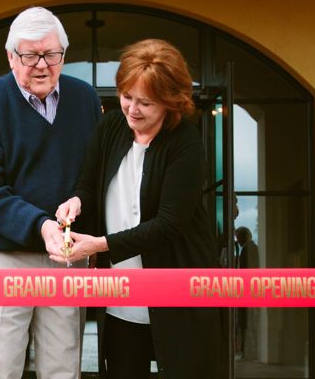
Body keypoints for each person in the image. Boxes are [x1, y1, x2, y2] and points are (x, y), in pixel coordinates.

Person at [55, 39, 222, 378]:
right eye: (127, 96)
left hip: (178, 291)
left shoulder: (186, 141)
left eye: (145, 102)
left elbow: (169, 223)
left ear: (170, 102)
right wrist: (76, 202)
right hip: (120, 297)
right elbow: (86, 185)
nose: (132, 109)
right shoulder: (111, 126)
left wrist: (100, 245)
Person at [0, 6, 101, 379]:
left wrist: (80, 200)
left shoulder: (85, 98)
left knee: (63, 368)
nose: (42, 65)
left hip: (67, 256)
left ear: (63, 54)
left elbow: (94, 174)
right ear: (11, 58)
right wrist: (41, 226)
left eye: (51, 55)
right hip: (0, 254)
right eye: (29, 55)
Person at [234, 226, 259, 360]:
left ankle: (247, 351)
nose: (237, 241)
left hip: (247, 291)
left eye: (238, 237)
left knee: (245, 322)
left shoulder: (247, 250)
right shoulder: (253, 248)